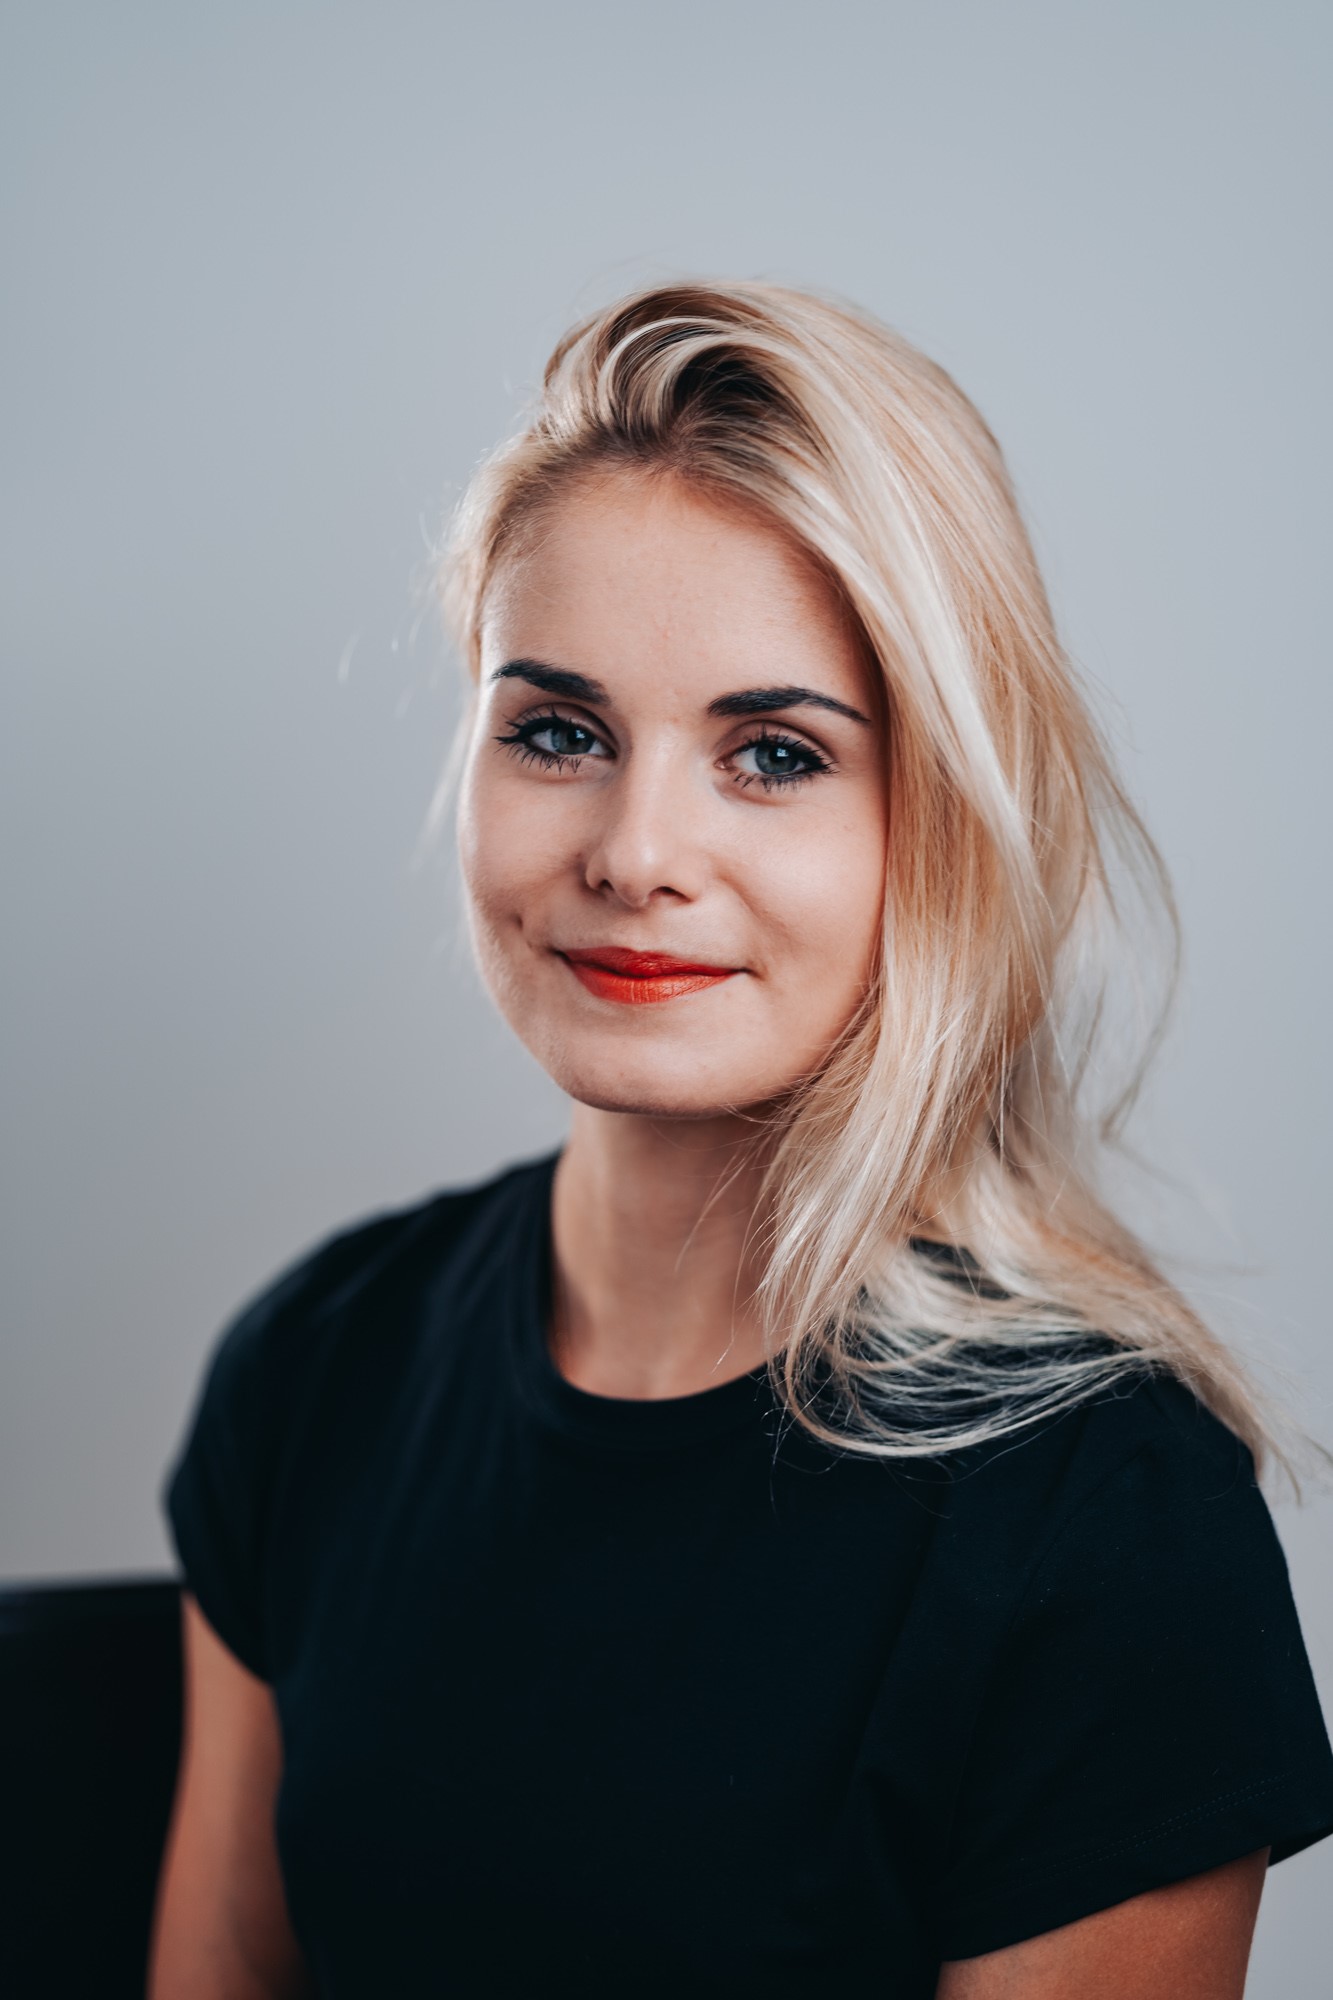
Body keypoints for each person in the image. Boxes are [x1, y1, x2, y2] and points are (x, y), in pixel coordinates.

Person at [148, 280, 1333, 1999]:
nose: (635, 853)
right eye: (557, 732)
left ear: (939, 818)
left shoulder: (1105, 1521)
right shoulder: (315, 1368)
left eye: (772, 754)